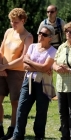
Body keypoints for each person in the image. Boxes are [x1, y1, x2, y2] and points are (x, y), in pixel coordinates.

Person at [12, 25, 56, 140]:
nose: (41, 36)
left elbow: (45, 67)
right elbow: (24, 64)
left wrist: (30, 62)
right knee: (21, 108)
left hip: (43, 83)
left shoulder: (53, 51)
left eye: (44, 34)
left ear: (50, 38)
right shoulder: (32, 46)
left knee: (41, 112)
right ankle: (17, 135)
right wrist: (40, 67)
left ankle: (39, 136)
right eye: (40, 33)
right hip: (28, 81)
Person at [0, 8, 33, 139]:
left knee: (15, 102)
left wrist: (5, 66)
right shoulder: (8, 32)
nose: (13, 24)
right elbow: (1, 50)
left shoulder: (28, 36)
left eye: (16, 22)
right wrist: (1, 68)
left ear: (23, 21)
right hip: (2, 70)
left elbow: (24, 58)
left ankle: (13, 128)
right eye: (11, 21)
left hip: (17, 73)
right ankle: (0, 126)